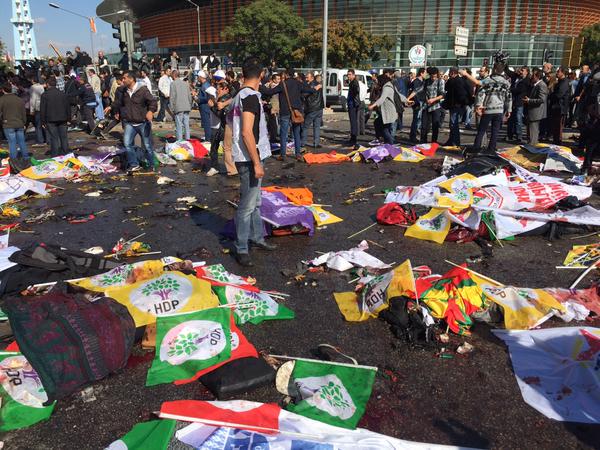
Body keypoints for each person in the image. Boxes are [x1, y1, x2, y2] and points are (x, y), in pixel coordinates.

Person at [229, 56, 276, 267]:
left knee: (255, 202)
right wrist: (256, 163)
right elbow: (247, 132)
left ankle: (257, 237)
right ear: (262, 75)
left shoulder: (241, 95)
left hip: (247, 156)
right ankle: (241, 248)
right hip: (249, 158)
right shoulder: (249, 98)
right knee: (247, 206)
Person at [260, 69, 317, 161]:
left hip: (285, 111)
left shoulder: (283, 84)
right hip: (296, 112)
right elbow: (309, 90)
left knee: (283, 133)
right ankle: (298, 154)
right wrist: (315, 88)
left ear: (286, 75)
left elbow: (270, 92)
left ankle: (283, 155)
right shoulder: (298, 83)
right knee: (296, 133)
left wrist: (260, 86)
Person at [117, 70, 158, 172]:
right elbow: (120, 103)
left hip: (143, 122)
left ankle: (151, 164)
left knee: (147, 146)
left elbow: (153, 102)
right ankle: (134, 164)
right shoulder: (124, 91)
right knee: (127, 144)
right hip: (130, 123)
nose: (123, 80)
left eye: (124, 78)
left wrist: (150, 111)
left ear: (131, 79)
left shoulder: (143, 90)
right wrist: (114, 110)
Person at [473, 62, 512, 154]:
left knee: (482, 130)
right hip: (499, 110)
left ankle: (476, 149)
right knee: (495, 131)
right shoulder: (506, 83)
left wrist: (478, 106)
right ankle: (491, 149)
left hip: (488, 109)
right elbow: (509, 97)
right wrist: (509, 110)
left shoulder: (488, 81)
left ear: (494, 69)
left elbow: (481, 94)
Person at [368, 69, 408, 144]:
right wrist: (407, 100)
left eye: (378, 81)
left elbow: (381, 99)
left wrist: (372, 105)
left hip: (388, 112)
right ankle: (387, 142)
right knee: (381, 125)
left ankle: (390, 143)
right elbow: (398, 95)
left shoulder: (386, 88)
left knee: (384, 128)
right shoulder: (390, 85)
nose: (377, 83)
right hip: (389, 112)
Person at [207, 81, 233, 176]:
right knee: (216, 147)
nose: (217, 91)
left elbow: (221, 115)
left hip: (221, 126)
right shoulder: (220, 98)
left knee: (223, 147)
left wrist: (212, 107)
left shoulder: (225, 99)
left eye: (218, 89)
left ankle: (227, 168)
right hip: (216, 125)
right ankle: (218, 167)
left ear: (225, 89)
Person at [40, 76, 70, 156]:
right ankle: (66, 153)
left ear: (48, 84)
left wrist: (43, 121)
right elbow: (67, 107)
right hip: (63, 118)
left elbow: (43, 109)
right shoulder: (62, 94)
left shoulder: (45, 95)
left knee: (54, 137)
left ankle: (55, 154)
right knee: (64, 137)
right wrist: (69, 119)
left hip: (50, 119)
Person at [0, 83, 30, 160]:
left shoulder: (2, 100)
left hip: (8, 124)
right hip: (19, 123)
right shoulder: (19, 99)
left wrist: (2, 121)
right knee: (22, 142)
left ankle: (13, 160)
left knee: (12, 143)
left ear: (3, 90)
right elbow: (23, 113)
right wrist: (24, 123)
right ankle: (26, 158)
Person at [443, 67, 470, 147]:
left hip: (456, 104)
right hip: (455, 104)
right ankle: (451, 140)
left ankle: (455, 142)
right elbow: (446, 87)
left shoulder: (457, 81)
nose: (448, 74)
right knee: (453, 124)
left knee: (454, 124)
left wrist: (460, 103)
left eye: (450, 72)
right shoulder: (455, 80)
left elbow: (461, 93)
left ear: (453, 73)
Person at [418, 67, 445, 144]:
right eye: (432, 76)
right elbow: (421, 91)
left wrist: (433, 99)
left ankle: (434, 142)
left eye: (435, 76)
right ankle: (423, 141)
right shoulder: (426, 81)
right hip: (426, 106)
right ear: (430, 75)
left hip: (436, 106)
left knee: (435, 126)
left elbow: (442, 95)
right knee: (424, 126)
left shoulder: (440, 81)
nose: (433, 78)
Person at [505, 65, 530, 143]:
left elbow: (519, 90)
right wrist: (504, 64)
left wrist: (510, 89)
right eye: (521, 70)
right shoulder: (516, 76)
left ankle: (519, 136)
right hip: (512, 101)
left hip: (519, 102)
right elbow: (508, 72)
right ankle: (509, 135)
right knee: (510, 119)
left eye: (523, 70)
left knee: (518, 119)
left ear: (527, 72)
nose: (521, 72)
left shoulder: (527, 81)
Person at [524, 68, 548, 145]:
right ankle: (531, 145)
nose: (531, 76)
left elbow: (541, 99)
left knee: (533, 132)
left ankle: (532, 146)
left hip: (536, 112)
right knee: (532, 131)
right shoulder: (537, 85)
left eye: (533, 75)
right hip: (533, 111)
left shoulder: (541, 85)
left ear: (537, 76)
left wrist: (529, 100)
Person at [548, 66, 570, 145]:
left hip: (560, 108)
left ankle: (558, 144)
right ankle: (555, 142)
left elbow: (559, 95)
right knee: (555, 128)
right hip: (556, 108)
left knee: (558, 128)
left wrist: (550, 96)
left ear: (563, 73)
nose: (557, 73)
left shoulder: (564, 82)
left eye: (558, 71)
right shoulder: (560, 81)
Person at [301, 72, 323, 150]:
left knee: (305, 126)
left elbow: (304, 95)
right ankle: (316, 143)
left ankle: (302, 142)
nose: (306, 79)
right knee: (316, 126)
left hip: (312, 108)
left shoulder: (309, 85)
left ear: (312, 77)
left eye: (307, 77)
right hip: (319, 108)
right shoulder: (318, 84)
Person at [169, 70, 193, 142]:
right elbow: (189, 96)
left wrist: (172, 108)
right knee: (186, 125)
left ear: (174, 75)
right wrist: (190, 105)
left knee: (179, 125)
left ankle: (179, 141)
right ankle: (188, 140)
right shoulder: (185, 83)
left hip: (178, 107)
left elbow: (172, 97)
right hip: (186, 106)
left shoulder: (173, 84)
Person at [408, 68, 425, 142]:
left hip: (422, 102)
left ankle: (416, 134)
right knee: (416, 119)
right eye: (425, 73)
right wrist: (417, 102)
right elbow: (415, 92)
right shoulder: (416, 81)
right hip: (418, 102)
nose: (426, 74)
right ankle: (413, 136)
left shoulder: (423, 81)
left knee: (419, 119)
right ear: (421, 73)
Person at [29, 77, 46, 147]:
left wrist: (31, 110)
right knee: (43, 124)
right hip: (43, 106)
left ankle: (40, 141)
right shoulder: (41, 87)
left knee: (38, 125)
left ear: (32, 81)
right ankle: (47, 139)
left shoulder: (33, 87)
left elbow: (33, 99)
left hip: (37, 107)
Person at [196, 70, 213, 141]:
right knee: (207, 124)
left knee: (207, 124)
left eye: (198, 77)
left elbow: (207, 97)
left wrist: (198, 99)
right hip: (205, 106)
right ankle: (208, 138)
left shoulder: (205, 85)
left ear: (201, 77)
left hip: (205, 107)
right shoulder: (205, 84)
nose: (197, 78)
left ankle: (208, 139)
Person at [346, 69, 361, 149]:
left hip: (353, 104)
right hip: (352, 104)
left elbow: (356, 90)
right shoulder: (352, 82)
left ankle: (353, 139)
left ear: (353, 75)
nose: (348, 76)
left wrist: (354, 92)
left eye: (350, 74)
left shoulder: (354, 82)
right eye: (348, 74)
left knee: (353, 122)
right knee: (353, 122)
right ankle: (352, 138)